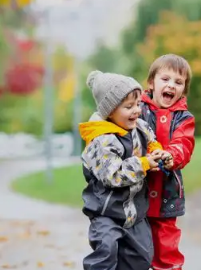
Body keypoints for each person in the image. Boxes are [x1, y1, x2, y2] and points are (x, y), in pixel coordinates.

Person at [79, 70, 165, 270]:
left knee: (142, 259)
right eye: (129, 107)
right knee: (105, 253)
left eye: (138, 104)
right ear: (110, 111)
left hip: (135, 213)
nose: (136, 110)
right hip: (106, 214)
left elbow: (151, 140)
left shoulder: (139, 127)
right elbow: (114, 175)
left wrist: (157, 151)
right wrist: (144, 163)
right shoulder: (101, 140)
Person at [139, 54, 196, 270]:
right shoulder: (137, 110)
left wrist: (171, 155)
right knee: (135, 249)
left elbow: (184, 144)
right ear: (151, 83)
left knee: (166, 250)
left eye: (178, 82)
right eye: (165, 79)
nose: (171, 85)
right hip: (137, 194)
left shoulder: (184, 118)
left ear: (183, 90)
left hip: (167, 195)